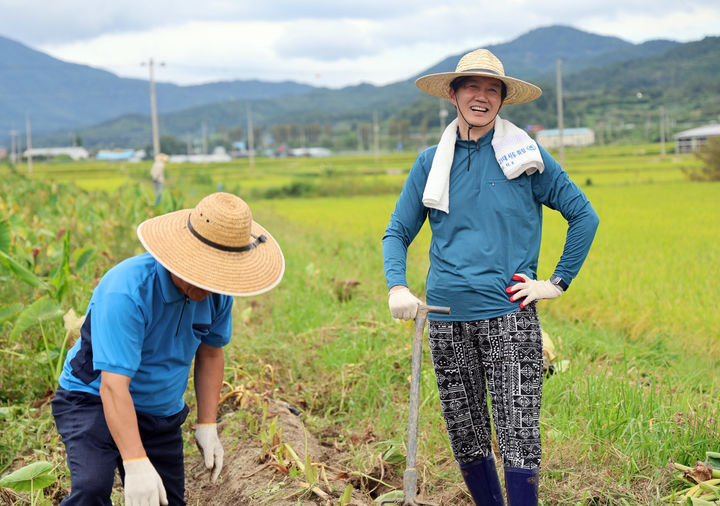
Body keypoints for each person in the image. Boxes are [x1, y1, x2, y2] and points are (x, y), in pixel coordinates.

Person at [382, 49, 599, 505]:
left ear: (502, 99)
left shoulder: (528, 158)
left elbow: (584, 216)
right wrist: (397, 285)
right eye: (472, 87)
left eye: (491, 89)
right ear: (453, 94)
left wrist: (555, 283)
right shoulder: (429, 162)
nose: (481, 97)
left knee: (519, 436)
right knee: (466, 434)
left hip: (508, 315)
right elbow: (397, 231)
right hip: (444, 317)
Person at [51, 192, 285, 505]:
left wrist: (207, 424)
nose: (206, 287)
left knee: (166, 500)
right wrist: (135, 463)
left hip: (159, 409)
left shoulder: (217, 294)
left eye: (218, 277)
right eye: (199, 274)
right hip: (92, 398)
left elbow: (211, 353)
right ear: (178, 255)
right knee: (92, 489)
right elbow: (113, 386)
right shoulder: (127, 291)